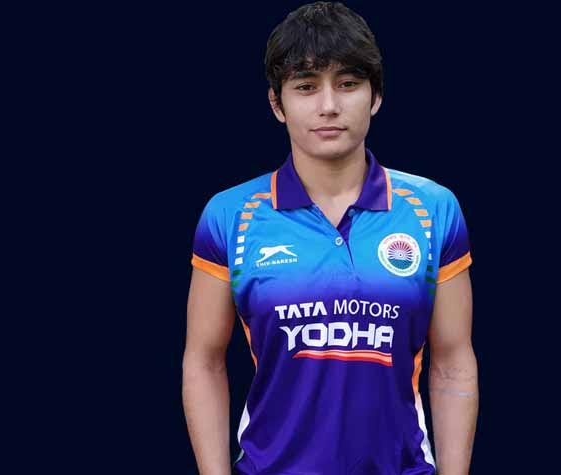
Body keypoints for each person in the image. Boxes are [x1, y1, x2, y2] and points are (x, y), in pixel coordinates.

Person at [183, 2, 477, 474]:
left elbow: (453, 360)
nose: (328, 106)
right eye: (305, 86)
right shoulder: (230, 214)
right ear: (277, 104)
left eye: (348, 83)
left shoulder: (434, 209)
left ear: (375, 96)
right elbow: (204, 361)